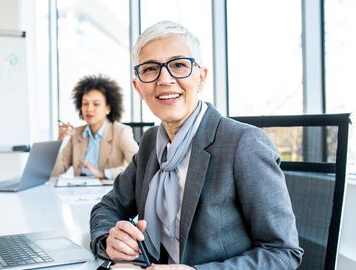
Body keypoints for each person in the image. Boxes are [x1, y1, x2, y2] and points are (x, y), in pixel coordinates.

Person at [90, 21, 303, 269]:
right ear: (139, 86)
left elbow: (283, 253)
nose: (165, 79)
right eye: (150, 69)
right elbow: (107, 206)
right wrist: (108, 238)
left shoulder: (244, 144)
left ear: (201, 78)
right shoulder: (150, 142)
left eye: (179, 65)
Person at [51, 74, 138, 180]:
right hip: (79, 192)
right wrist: (59, 142)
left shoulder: (121, 132)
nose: (89, 109)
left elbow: (138, 166)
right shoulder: (76, 133)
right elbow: (57, 171)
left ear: (108, 108)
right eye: (85, 104)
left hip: (108, 192)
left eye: (96, 104)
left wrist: (104, 173)